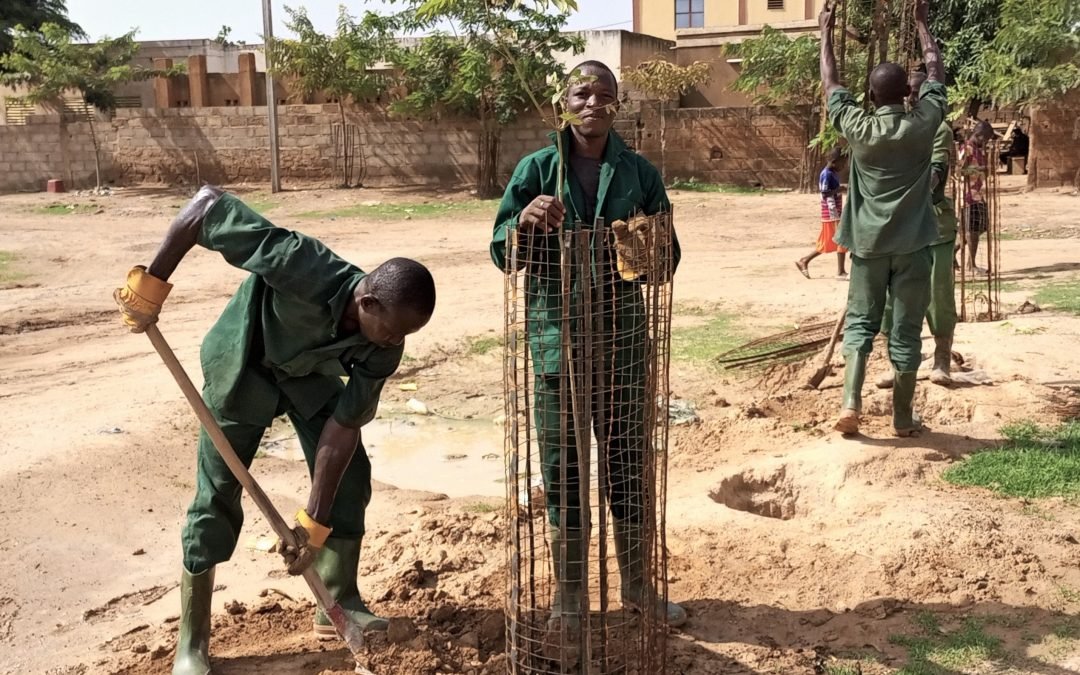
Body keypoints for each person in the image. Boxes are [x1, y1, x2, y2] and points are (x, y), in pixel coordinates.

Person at [113, 186, 436, 675]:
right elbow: (206, 207)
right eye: (393, 329)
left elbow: (344, 424)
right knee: (217, 494)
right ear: (367, 302)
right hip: (243, 366)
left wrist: (315, 519)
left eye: (405, 335)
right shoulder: (301, 263)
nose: (397, 342)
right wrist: (152, 283)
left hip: (307, 379)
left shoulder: (383, 347)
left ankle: (338, 604)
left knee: (350, 477)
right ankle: (192, 642)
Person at [489, 60, 687, 637]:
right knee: (565, 470)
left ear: (617, 105)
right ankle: (570, 598)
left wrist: (641, 240)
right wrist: (523, 223)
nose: (594, 102)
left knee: (628, 467)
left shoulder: (638, 173)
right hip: (558, 347)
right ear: (565, 103)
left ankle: (637, 588)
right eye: (583, 93)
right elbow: (504, 254)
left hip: (623, 346)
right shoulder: (537, 170)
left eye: (605, 94)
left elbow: (666, 263)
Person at [820, 0, 948, 437]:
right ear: (906, 95)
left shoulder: (857, 126)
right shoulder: (923, 124)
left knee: (860, 323)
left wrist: (825, 33)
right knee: (906, 329)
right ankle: (901, 417)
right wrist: (921, 25)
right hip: (913, 247)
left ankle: (851, 402)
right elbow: (935, 74)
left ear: (871, 96)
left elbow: (831, 82)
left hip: (868, 248)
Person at [877, 71, 960, 388]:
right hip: (895, 228)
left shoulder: (938, 129)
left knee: (938, 295)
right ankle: (895, 363)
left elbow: (937, 169)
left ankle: (941, 360)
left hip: (933, 225)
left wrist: (913, 194)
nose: (912, 98)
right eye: (907, 91)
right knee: (891, 298)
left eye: (917, 92)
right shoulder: (890, 127)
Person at [796, 147, 849, 279]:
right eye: (843, 163)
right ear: (835, 161)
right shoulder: (826, 174)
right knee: (841, 239)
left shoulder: (832, 173)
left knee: (827, 242)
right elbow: (825, 193)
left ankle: (804, 260)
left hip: (833, 211)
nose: (843, 167)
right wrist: (839, 189)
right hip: (831, 213)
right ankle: (841, 271)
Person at [959, 120, 994, 276]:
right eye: (985, 139)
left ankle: (955, 252)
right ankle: (971, 264)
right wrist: (980, 169)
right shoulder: (966, 149)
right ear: (979, 136)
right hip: (968, 195)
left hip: (977, 194)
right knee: (972, 228)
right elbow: (960, 170)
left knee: (981, 226)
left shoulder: (979, 150)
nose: (986, 143)